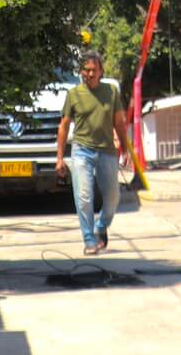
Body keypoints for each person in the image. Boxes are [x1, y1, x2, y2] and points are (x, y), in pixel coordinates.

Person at [54, 50, 132, 256]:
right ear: (81, 72)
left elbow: (119, 123)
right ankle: (89, 239)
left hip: (106, 151)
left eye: (93, 70)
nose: (89, 74)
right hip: (82, 151)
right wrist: (60, 158)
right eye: (86, 70)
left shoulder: (111, 92)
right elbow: (63, 127)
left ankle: (101, 227)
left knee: (113, 197)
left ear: (101, 72)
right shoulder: (73, 94)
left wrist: (125, 149)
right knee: (84, 196)